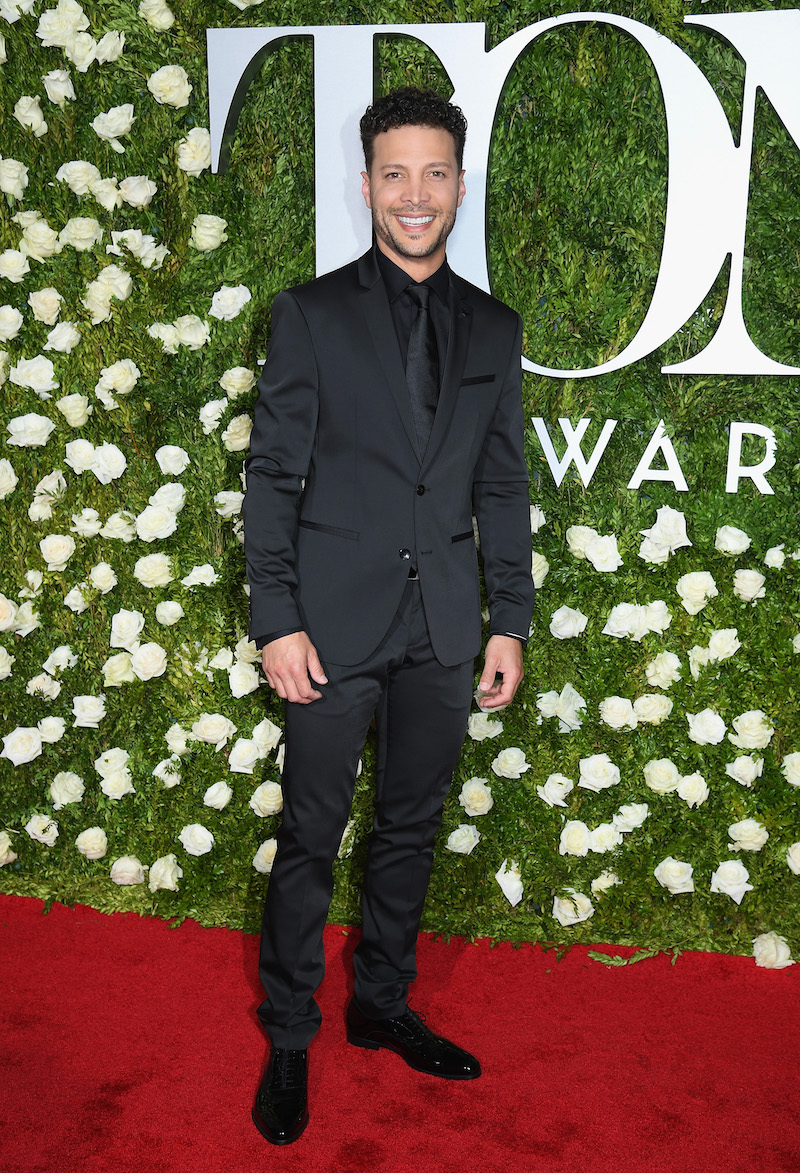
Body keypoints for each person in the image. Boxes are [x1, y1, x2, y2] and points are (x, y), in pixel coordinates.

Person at [242, 86, 534, 1146]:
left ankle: (378, 1005)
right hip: (327, 626)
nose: (415, 195)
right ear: (365, 185)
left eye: (435, 172)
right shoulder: (309, 314)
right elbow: (272, 476)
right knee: (312, 834)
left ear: (460, 185)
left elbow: (500, 485)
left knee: (408, 830)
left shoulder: (495, 329)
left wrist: (509, 621)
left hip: (445, 630)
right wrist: (275, 621)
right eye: (395, 173)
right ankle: (287, 1034)